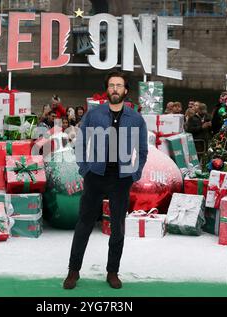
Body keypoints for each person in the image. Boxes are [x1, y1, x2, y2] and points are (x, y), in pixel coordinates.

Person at [63, 71, 148, 290]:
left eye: (119, 85)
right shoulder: (94, 114)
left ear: (126, 90)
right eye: (112, 85)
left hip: (121, 179)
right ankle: (73, 271)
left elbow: (143, 150)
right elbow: (80, 143)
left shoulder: (136, 118)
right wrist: (84, 169)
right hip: (96, 176)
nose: (115, 89)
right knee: (84, 224)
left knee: (118, 228)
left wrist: (135, 174)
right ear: (107, 89)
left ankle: (112, 272)